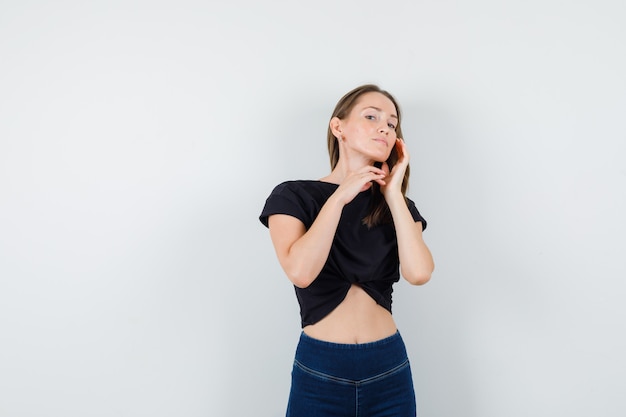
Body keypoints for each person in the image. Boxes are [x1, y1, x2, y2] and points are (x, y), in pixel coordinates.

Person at [259, 84, 434, 417]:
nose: (385, 127)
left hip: (388, 368)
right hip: (320, 369)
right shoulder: (294, 197)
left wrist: (394, 194)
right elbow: (301, 270)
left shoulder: (397, 207)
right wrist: (341, 195)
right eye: (372, 116)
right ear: (337, 126)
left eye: (392, 123)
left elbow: (419, 273)